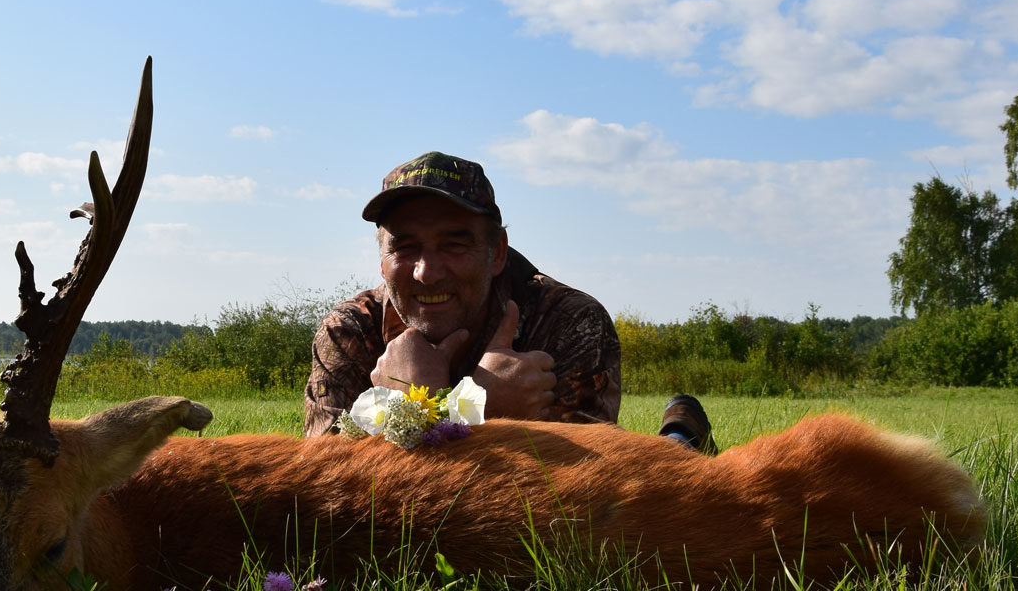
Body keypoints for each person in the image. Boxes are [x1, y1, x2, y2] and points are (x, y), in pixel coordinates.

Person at [303, 151, 714, 453]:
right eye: (405, 248)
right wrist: (467, 407)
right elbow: (321, 489)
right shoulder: (349, 331)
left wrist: (435, 414)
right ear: (381, 260)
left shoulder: (569, 320)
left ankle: (681, 439)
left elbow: (579, 494)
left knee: (679, 475)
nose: (426, 272)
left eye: (454, 244)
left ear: (497, 252)